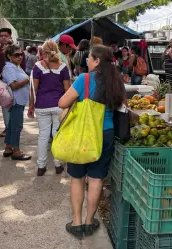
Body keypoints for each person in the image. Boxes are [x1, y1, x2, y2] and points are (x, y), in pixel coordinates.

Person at [58, 45, 125, 239]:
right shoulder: (116, 81)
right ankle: (89, 222)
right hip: (105, 134)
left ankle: (76, 223)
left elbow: (62, 103)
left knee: (77, 178)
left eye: (89, 58)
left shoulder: (84, 79)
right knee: (96, 179)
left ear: (96, 61)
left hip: (83, 135)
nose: (86, 61)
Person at [29, 40, 71, 176]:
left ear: (43, 52)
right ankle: (58, 164)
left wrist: (30, 106)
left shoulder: (37, 67)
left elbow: (33, 89)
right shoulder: (63, 67)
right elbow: (67, 89)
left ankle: (41, 167)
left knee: (43, 136)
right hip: (59, 105)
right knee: (57, 135)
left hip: (42, 106)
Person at [0, 28, 26, 138]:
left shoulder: (17, 51)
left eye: (6, 35)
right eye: (1, 35)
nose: (3, 37)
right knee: (5, 107)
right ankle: (8, 128)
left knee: (17, 106)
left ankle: (14, 128)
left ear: (10, 36)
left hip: (15, 84)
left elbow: (22, 67)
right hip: (3, 85)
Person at [2, 44, 31, 161]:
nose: (20, 57)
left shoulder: (16, 66)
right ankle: (16, 151)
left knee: (12, 125)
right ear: (9, 56)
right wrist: (27, 79)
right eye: (16, 55)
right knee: (17, 126)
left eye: (21, 54)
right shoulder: (9, 68)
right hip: (15, 101)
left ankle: (8, 148)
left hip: (19, 100)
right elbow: (13, 85)